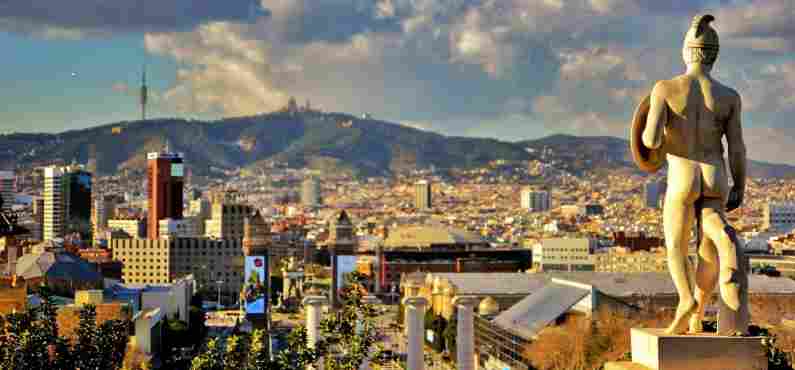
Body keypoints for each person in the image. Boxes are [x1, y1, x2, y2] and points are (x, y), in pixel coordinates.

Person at [641, 14, 747, 335]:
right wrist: (739, 185)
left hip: (682, 176)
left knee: (675, 245)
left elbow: (651, 140)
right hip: (715, 174)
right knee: (708, 248)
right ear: (714, 54)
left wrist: (654, 136)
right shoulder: (729, 96)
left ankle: (686, 299)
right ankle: (699, 312)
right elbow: (738, 148)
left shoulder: (665, 89)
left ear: (686, 51)